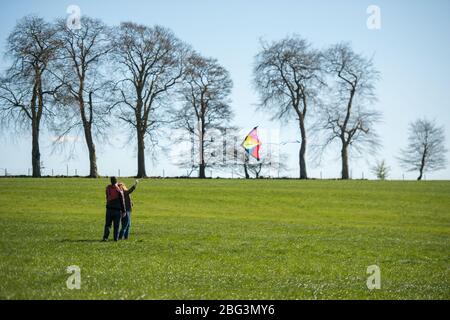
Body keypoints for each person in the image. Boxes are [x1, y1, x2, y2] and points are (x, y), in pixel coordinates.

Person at [102, 176, 126, 241]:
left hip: (109, 209)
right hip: (117, 210)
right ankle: (115, 238)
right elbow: (122, 201)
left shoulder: (108, 188)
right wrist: (124, 211)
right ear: (116, 181)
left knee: (107, 225)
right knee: (116, 225)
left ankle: (105, 237)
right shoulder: (119, 189)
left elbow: (107, 197)